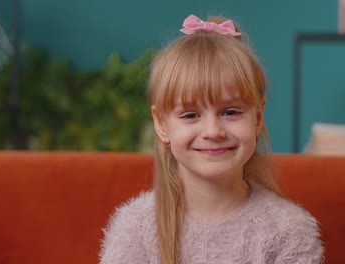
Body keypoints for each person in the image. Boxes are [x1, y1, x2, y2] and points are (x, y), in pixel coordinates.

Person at [99, 14, 323, 264]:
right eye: (191, 114)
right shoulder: (135, 228)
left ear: (257, 119)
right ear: (161, 125)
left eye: (230, 112)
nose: (213, 131)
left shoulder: (288, 230)